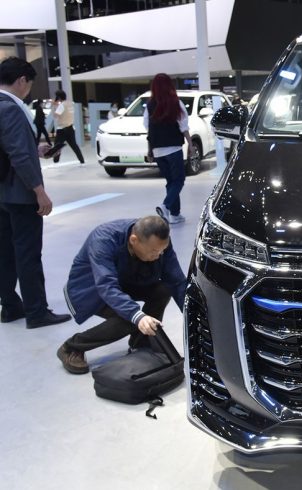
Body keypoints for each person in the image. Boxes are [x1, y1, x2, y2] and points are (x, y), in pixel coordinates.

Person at [56, 216, 186, 374]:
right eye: (154, 251)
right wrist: (137, 316)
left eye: (162, 250)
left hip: (126, 280)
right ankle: (72, 347)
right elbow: (106, 285)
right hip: (92, 289)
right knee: (130, 319)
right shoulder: (103, 240)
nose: (159, 255)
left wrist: (193, 314)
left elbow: (177, 281)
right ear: (133, 240)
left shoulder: (158, 242)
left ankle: (141, 343)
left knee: (163, 290)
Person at [0, 57, 71, 329]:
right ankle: (37, 311)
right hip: (20, 194)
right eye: (29, 84)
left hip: (3, 193)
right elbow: (18, 155)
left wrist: (36, 149)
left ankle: (10, 306)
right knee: (28, 253)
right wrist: (39, 192)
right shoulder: (11, 108)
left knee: (5, 253)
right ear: (22, 81)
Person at [144, 73, 193, 225]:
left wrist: (150, 150)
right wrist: (191, 144)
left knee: (171, 182)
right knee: (179, 180)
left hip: (158, 150)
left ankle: (175, 214)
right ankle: (165, 206)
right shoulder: (176, 103)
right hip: (174, 149)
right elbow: (183, 126)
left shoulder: (149, 105)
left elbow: (148, 128)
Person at [45, 89, 85, 164]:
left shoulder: (62, 105)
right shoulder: (71, 104)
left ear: (59, 97)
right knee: (74, 146)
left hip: (62, 129)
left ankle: (56, 161)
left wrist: (54, 106)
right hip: (70, 128)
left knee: (57, 146)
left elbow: (56, 115)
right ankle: (82, 160)